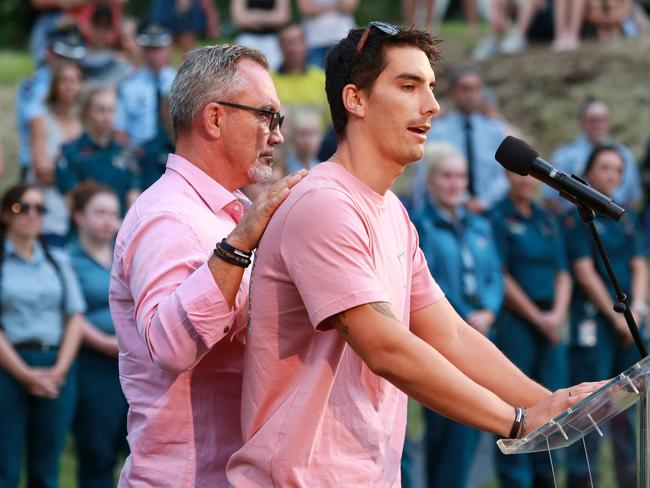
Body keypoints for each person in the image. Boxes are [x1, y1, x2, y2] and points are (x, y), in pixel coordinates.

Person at [226, 22, 601, 487]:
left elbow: (450, 335)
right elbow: (385, 346)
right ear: (355, 100)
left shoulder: (392, 213)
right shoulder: (323, 204)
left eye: (431, 88)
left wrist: (557, 403)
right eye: (408, 86)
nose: (432, 105)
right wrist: (519, 420)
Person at [109, 44, 306, 487]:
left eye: (279, 120)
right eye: (266, 116)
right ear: (214, 118)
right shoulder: (167, 216)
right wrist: (239, 244)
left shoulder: (228, 211)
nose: (276, 135)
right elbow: (172, 348)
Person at [411, 143, 504, 488]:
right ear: (432, 181)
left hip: (482, 334)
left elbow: (495, 274)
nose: (455, 184)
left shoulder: (479, 225)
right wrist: (465, 316)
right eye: (446, 177)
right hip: (444, 339)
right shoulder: (421, 226)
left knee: (468, 436)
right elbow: (430, 280)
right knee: (443, 432)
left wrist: (489, 312)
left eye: (460, 177)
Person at [564, 144, 647, 488]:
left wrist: (637, 311)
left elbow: (640, 264)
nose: (611, 175)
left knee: (629, 407)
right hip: (597, 323)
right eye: (604, 168)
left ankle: (630, 477)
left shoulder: (623, 217)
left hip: (631, 325)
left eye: (617, 170)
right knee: (592, 405)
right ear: (589, 170)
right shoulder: (579, 216)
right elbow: (584, 271)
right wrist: (616, 316)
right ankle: (584, 478)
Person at [490, 170, 572, 488]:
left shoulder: (547, 219)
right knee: (518, 404)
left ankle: (547, 478)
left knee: (554, 401)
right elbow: (501, 274)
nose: (525, 180)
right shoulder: (498, 217)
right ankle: (516, 480)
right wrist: (538, 317)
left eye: (530, 174)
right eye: (516, 173)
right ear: (506, 176)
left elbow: (563, 272)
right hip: (518, 324)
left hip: (551, 323)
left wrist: (556, 315)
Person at [0, 184, 85, 488]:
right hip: (9, 367)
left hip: (55, 365)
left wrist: (60, 369)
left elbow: (74, 316)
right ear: (5, 215)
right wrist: (25, 375)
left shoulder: (57, 260)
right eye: (22, 207)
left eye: (40, 208)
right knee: (5, 468)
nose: (32, 214)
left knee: (46, 468)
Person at [67, 182, 127, 488]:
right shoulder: (67, 259)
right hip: (92, 365)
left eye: (113, 213)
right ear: (79, 216)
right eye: (99, 212)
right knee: (97, 454)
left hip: (131, 366)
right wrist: (106, 343)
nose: (108, 220)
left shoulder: (126, 253)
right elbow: (70, 315)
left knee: (135, 450)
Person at [417, 65, 509, 214]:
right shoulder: (438, 132)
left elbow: (502, 175)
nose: (471, 95)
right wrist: (464, 200)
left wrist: (484, 201)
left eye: (475, 89)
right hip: (449, 210)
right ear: (454, 92)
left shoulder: (494, 131)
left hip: (490, 210)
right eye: (465, 89)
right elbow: (428, 173)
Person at [544, 97, 642, 213]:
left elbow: (633, 196)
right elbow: (550, 196)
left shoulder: (624, 154)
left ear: (609, 122)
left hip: (616, 221)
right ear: (581, 122)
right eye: (592, 120)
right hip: (577, 220)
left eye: (602, 120)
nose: (597, 125)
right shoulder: (565, 156)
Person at [56, 85, 141, 214]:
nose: (107, 117)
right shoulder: (70, 153)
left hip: (121, 230)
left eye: (111, 110)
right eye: (101, 110)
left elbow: (134, 200)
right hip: (83, 231)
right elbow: (72, 203)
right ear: (86, 112)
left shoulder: (126, 153)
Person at [17, 26, 86, 181]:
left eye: (73, 59)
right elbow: (32, 119)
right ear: (49, 53)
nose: (68, 62)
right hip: (34, 160)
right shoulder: (32, 86)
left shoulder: (81, 98)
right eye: (62, 56)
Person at [30, 61, 84, 247]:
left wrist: (61, 170)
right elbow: (41, 172)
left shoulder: (84, 122)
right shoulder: (40, 119)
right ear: (55, 85)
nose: (71, 86)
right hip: (50, 206)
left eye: (75, 80)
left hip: (79, 208)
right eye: (64, 81)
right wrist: (78, 175)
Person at [114, 21, 176, 149]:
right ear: (142, 50)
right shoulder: (128, 85)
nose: (154, 55)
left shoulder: (180, 82)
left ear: (169, 49)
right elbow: (120, 130)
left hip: (173, 152)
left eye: (159, 48)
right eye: (149, 49)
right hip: (139, 155)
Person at [271, 22, 330, 124]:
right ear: (279, 46)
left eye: (294, 42)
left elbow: (331, 121)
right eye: (286, 42)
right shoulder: (269, 81)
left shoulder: (322, 79)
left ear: (305, 44)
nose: (291, 48)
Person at [231, 0, 291, 71]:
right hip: (247, 39)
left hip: (273, 41)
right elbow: (239, 20)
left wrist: (253, 15)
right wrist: (270, 19)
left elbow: (283, 17)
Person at [298, 0, 359, 68]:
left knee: (345, 76)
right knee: (315, 76)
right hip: (315, 42)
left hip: (343, 40)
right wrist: (335, 6)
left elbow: (348, 7)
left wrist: (318, 8)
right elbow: (306, 10)